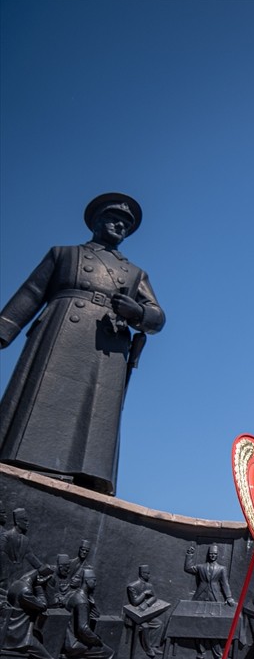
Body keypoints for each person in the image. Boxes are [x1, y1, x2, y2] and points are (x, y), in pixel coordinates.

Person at [0, 193, 165, 496]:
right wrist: (4, 328)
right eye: (114, 219)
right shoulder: (63, 254)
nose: (120, 226)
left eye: (125, 223)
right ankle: (26, 460)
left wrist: (138, 312)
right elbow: (31, 293)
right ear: (97, 221)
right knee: (45, 398)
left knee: (95, 413)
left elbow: (157, 317)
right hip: (62, 331)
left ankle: (86, 477)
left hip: (107, 346)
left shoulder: (134, 273)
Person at [62, 568, 115, 659]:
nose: (95, 584)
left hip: (70, 639)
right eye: (94, 581)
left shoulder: (75, 595)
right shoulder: (82, 601)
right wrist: (96, 639)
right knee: (109, 654)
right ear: (87, 581)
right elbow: (83, 629)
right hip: (74, 644)